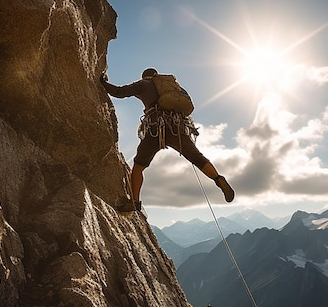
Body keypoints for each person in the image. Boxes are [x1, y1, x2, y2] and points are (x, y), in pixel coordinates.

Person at [100, 68, 235, 212]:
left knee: (138, 165)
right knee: (197, 158)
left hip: (155, 129)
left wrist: (103, 82)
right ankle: (218, 178)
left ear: (145, 77)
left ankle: (134, 202)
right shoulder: (172, 87)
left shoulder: (143, 84)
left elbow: (119, 92)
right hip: (177, 128)